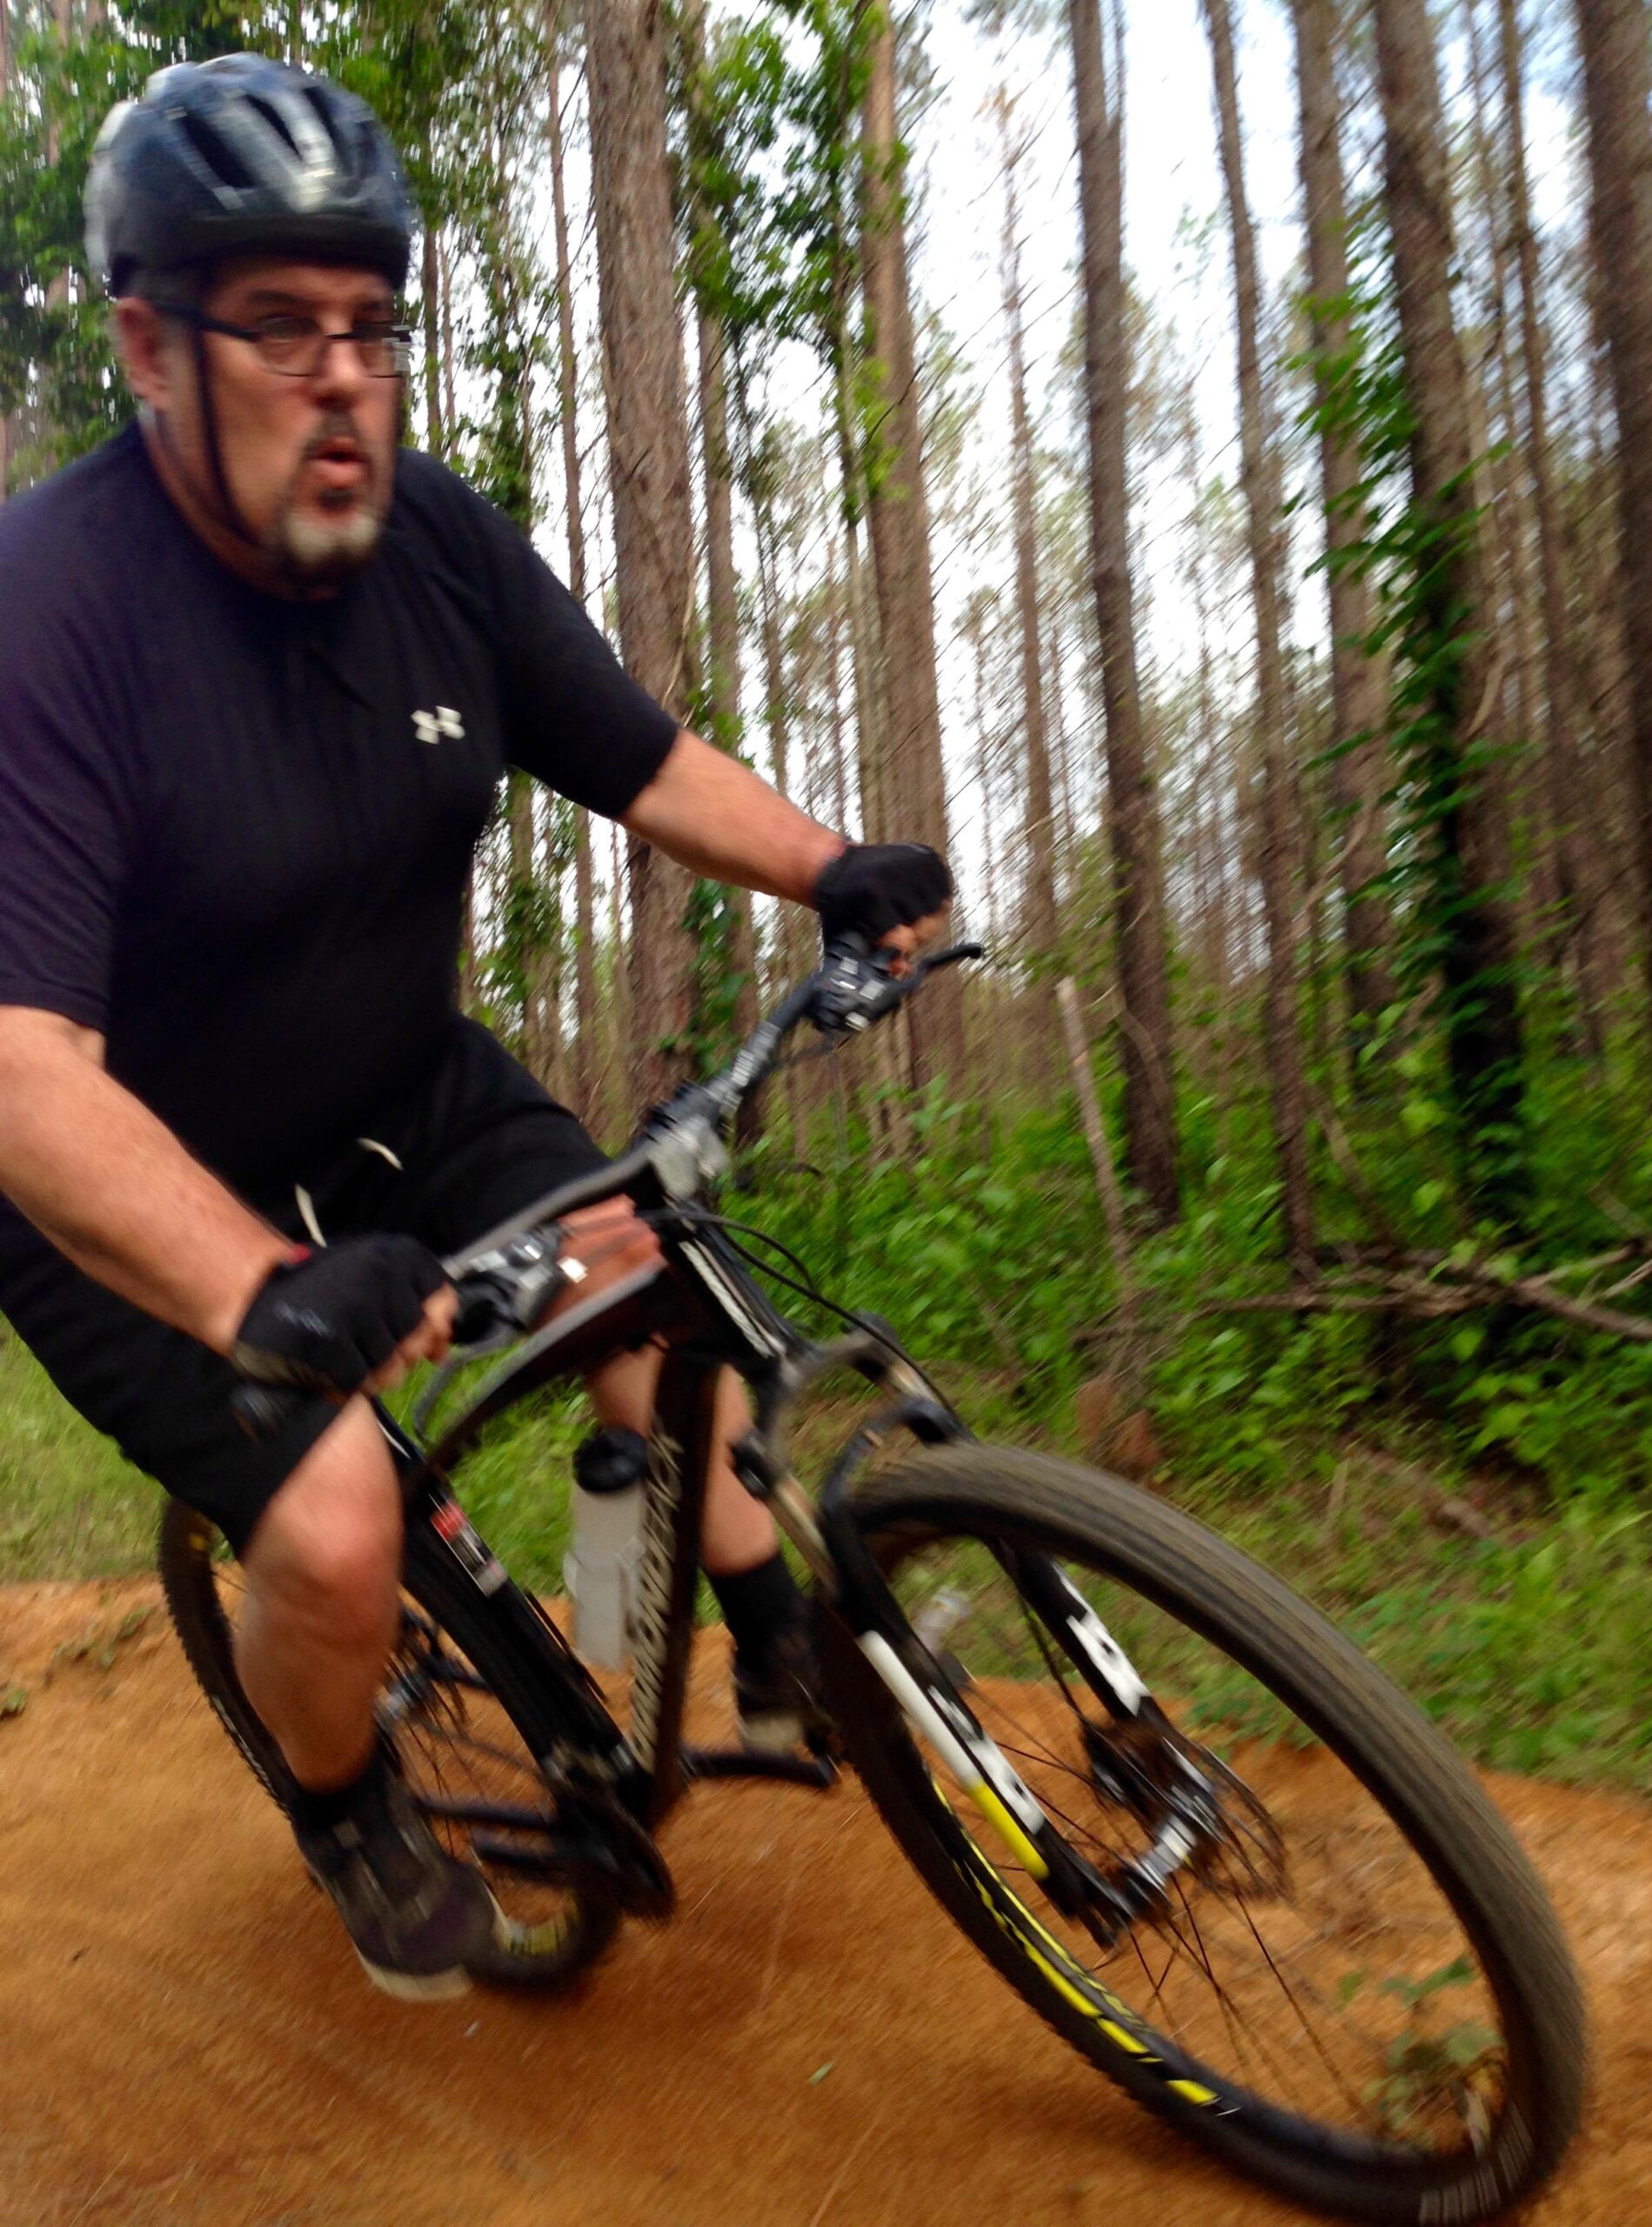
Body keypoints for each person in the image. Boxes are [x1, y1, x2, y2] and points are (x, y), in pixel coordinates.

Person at [0, 54, 952, 2003]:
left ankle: (761, 1624)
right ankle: (346, 1799)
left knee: (661, 1297)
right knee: (340, 1519)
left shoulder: (434, 540)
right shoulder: (53, 615)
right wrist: (264, 1288)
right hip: (129, 1179)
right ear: (150, 350)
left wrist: (830, 864)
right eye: (279, 326)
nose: (343, 378)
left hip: (391, 1085)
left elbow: (641, 758)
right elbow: (21, 1075)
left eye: (371, 324)